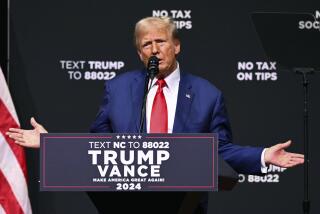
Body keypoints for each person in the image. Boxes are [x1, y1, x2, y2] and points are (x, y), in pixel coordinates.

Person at [6, 16, 304, 213]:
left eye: (160, 41)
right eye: (145, 45)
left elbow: (220, 151)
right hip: (126, 205)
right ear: (139, 54)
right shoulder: (119, 89)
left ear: (176, 45)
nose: (154, 49)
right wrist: (51, 144)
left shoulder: (207, 95)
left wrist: (263, 155)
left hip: (184, 207)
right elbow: (98, 147)